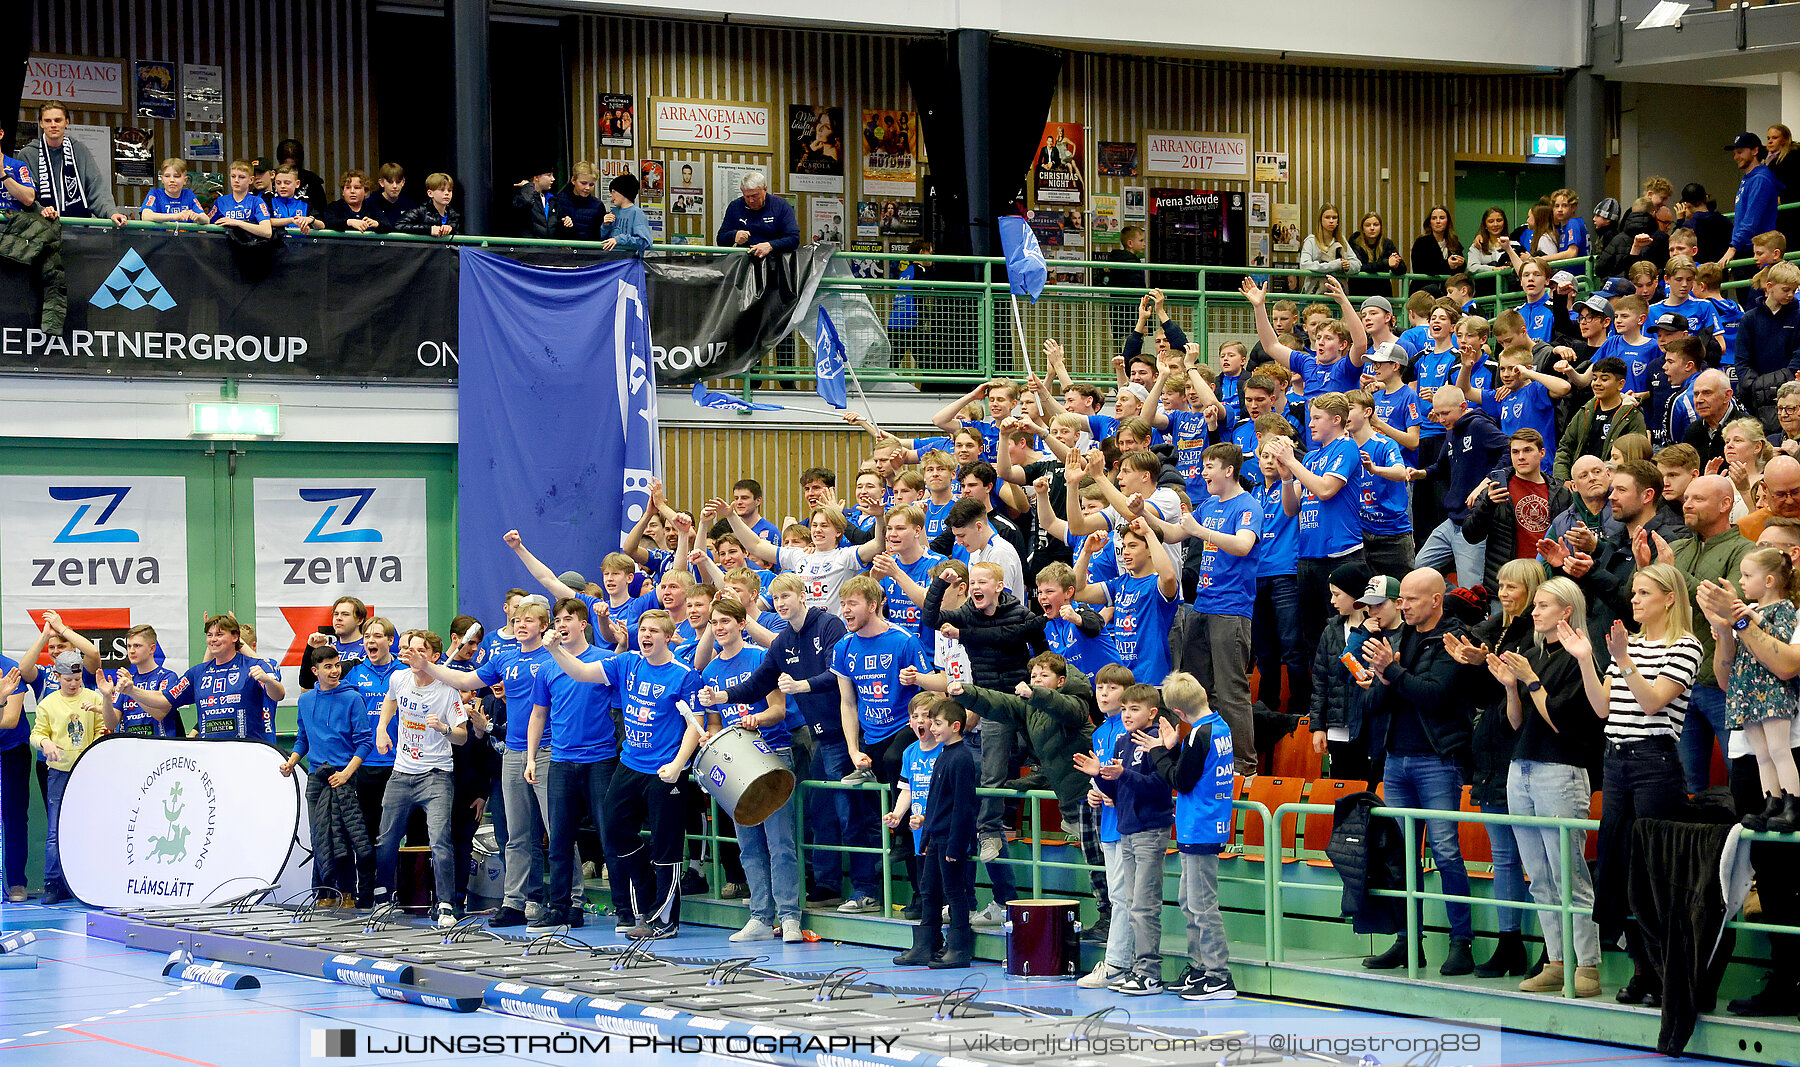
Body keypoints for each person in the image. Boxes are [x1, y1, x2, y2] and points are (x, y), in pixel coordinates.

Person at [1564, 564, 1700, 1008]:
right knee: (1619, 866)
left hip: (1655, 761)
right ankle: (1642, 966)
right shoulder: (1631, 644)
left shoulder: (1684, 646)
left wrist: (1623, 660)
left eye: (1644, 593)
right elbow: (1603, 708)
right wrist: (1587, 658)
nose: (1635, 600)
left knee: (1654, 868)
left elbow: (1653, 701)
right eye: (1634, 592)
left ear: (1669, 598)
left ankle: (1665, 972)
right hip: (1616, 760)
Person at [545, 610, 702, 939]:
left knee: (666, 847)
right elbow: (583, 672)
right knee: (615, 833)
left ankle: (665, 919)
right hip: (630, 764)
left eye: (654, 631)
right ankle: (645, 903)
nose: (646, 635)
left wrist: (677, 765)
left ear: (668, 636)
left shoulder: (684, 675)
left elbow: (694, 726)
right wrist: (555, 651)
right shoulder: (627, 662)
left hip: (665, 770)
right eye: (642, 629)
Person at [1484, 578, 1605, 997]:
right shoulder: (1532, 655)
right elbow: (1515, 722)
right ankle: (1556, 960)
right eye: (1534, 605)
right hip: (1523, 767)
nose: (1534, 612)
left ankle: (1586, 965)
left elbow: (1562, 723)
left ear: (1566, 612)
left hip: (1562, 769)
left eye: (1543, 605)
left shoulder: (1582, 660)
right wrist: (1511, 687)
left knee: (1568, 873)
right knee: (1539, 875)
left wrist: (1532, 681)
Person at [1357, 568, 1475, 976]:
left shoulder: (1455, 639)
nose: (1402, 605)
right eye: (1401, 599)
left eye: (1410, 599)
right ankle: (1409, 941)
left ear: (1436, 600)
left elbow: (1437, 697)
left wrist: (1393, 673)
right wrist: (1379, 680)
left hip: (1437, 759)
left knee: (1445, 851)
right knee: (1404, 858)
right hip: (1395, 757)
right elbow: (1371, 707)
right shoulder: (1396, 639)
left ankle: (1462, 943)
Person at [695, 598, 802, 943]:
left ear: (742, 623)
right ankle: (759, 916)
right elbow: (713, 723)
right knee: (749, 844)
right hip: (734, 763)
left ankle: (789, 917)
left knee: (780, 842)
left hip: (772, 753)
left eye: (725, 620)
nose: (719, 627)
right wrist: (706, 737)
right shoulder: (710, 671)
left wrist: (757, 719)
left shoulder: (760, 657)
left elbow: (778, 709)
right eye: (714, 622)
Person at [836, 576, 939, 912]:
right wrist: (854, 749)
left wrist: (920, 726)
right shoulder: (844, 648)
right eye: (843, 603)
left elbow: (929, 694)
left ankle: (923, 895)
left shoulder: (904, 641)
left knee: (901, 774)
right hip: (871, 737)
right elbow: (848, 703)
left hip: (905, 730)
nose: (845, 610)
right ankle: (869, 891)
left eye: (852, 603)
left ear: (873, 604)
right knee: (866, 810)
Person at [523, 598, 623, 931]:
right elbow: (539, 714)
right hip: (562, 760)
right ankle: (562, 907)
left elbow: (624, 707)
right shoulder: (548, 666)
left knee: (610, 836)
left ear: (583, 624)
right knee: (561, 839)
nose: (561, 624)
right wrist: (531, 757)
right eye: (557, 619)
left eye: (568, 618)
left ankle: (625, 907)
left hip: (600, 759)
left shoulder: (604, 661)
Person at [1077, 682, 1174, 995]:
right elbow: (1118, 792)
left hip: (1150, 830)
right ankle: (1135, 967)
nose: (1128, 715)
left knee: (1144, 906)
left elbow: (1160, 789)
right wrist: (1098, 778)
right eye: (1125, 710)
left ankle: (1149, 973)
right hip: (1126, 829)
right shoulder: (1121, 742)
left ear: (1152, 712)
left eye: (1135, 709)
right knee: (1131, 904)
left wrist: (1121, 775)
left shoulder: (1158, 743)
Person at [374, 630, 469, 928]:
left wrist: (443, 728)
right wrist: (381, 728)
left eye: (419, 651)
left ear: (434, 657)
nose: (410, 655)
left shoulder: (448, 689)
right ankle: (381, 898)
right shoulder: (399, 679)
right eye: (409, 650)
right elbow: (391, 701)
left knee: (440, 841)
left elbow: (463, 737)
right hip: (401, 773)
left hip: (437, 776)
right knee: (386, 839)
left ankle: (445, 904)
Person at [1709, 549, 1800, 832]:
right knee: (1760, 753)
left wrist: (1751, 619)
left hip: (1771, 689)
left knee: (1778, 749)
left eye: (1748, 575)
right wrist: (1723, 628)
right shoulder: (1749, 611)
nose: (1742, 581)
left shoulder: (1782, 608)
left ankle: (1792, 803)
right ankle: (1770, 802)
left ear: (1770, 580)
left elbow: (1783, 638)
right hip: (1746, 689)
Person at [280, 646, 375, 905]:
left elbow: (365, 743)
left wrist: (346, 774)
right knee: (320, 835)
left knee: (343, 836)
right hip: (316, 779)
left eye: (337, 665)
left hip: (344, 777)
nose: (334, 671)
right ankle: (323, 893)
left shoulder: (353, 698)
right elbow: (302, 739)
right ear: (315, 671)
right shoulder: (305, 700)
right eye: (328, 667)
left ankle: (346, 893)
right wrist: (292, 762)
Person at [894, 697, 978, 968]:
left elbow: (963, 807)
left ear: (955, 726)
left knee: (955, 893)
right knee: (928, 889)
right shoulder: (944, 755)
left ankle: (959, 948)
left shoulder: (962, 759)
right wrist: (927, 836)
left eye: (937, 723)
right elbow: (933, 800)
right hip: (935, 838)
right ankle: (926, 944)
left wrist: (956, 845)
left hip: (951, 839)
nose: (931, 727)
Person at [30, 651, 116, 904]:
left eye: (77, 678)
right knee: (55, 829)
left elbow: (105, 727)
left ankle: (90, 878)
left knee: (92, 826)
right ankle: (53, 882)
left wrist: (100, 738)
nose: (73, 683)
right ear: (57, 677)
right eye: (68, 679)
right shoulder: (48, 704)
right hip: (59, 771)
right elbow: (36, 734)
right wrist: (45, 743)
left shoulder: (92, 698)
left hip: (88, 771)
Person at [125, 614, 282, 741]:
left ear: (235, 637)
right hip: (210, 754)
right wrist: (132, 690)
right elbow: (163, 699)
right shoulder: (197, 673)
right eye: (209, 635)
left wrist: (268, 681)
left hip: (248, 752)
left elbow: (278, 694)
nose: (213, 639)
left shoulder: (255, 665)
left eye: (219, 634)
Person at [18, 104, 126, 226]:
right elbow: (25, 196)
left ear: (67, 122)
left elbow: (96, 189)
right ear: (41, 123)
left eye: (58, 120)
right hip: (41, 229)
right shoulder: (28, 154)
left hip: (77, 229)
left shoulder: (80, 150)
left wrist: (111, 212)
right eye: (48, 121)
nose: (53, 125)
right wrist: (41, 210)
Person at [1721, 132, 1782, 268]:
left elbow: (1751, 221)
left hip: (1756, 251)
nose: (1736, 157)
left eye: (1740, 152)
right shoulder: (1750, 178)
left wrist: (1733, 247)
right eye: (1735, 153)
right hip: (1747, 247)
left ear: (1755, 151)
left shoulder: (1760, 179)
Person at [113, 625, 184, 738]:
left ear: (152, 648)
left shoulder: (167, 676)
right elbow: (111, 723)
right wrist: (107, 696)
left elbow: (159, 714)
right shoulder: (127, 680)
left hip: (161, 747)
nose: (131, 651)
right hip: (131, 747)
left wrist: (132, 691)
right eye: (129, 646)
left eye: (137, 646)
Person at [716, 171, 800, 258]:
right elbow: (720, 239)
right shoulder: (735, 206)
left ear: (765, 189)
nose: (751, 200)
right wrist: (733, 235)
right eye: (747, 196)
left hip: (775, 263)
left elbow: (794, 239)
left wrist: (771, 245)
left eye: (755, 196)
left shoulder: (781, 206)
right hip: (744, 263)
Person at [1300, 203, 1359, 292]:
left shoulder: (1341, 240)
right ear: (1320, 220)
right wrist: (1336, 265)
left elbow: (1357, 264)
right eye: (1327, 217)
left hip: (1337, 293)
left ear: (1338, 221)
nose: (1331, 221)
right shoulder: (1311, 241)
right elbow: (1304, 265)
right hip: (1314, 293)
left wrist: (1348, 267)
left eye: (1334, 218)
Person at [208, 159, 274, 239]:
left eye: (241, 177)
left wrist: (237, 223)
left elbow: (267, 231)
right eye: (233, 176)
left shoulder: (257, 201)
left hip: (250, 248)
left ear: (251, 180)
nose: (236, 180)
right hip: (225, 248)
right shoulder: (221, 201)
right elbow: (206, 224)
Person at [1409, 205, 1466, 292]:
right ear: (1430, 222)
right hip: (1423, 290)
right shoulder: (1421, 242)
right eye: (1434, 218)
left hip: (1447, 290)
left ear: (1447, 221)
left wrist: (1461, 263)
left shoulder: (1454, 243)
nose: (1438, 221)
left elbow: (1459, 271)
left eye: (1442, 218)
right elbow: (1421, 268)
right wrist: (1448, 265)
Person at [1348, 211, 1404, 298]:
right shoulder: (1355, 243)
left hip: (1383, 294)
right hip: (1359, 292)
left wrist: (1396, 265)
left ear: (1381, 227)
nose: (1372, 228)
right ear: (1362, 229)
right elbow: (1360, 267)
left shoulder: (1387, 243)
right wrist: (1386, 263)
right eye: (1367, 225)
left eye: (1376, 225)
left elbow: (1402, 269)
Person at [598, 173, 652, 252]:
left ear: (623, 192)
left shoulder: (636, 213)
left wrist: (619, 239)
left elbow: (645, 241)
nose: (610, 195)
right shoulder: (613, 212)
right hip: (610, 259)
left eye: (613, 192)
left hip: (629, 261)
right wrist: (605, 225)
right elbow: (603, 239)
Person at [141, 157, 207, 222]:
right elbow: (145, 216)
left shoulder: (189, 194)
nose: (172, 180)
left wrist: (197, 217)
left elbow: (206, 219)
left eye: (176, 176)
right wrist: (176, 216)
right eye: (167, 176)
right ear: (162, 179)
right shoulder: (155, 194)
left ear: (185, 180)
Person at [318, 170, 386, 233]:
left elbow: (387, 225)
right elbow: (328, 222)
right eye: (348, 187)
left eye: (357, 188)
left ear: (365, 191)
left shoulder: (372, 207)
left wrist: (377, 224)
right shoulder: (334, 207)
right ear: (343, 192)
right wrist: (349, 222)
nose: (352, 191)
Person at [394, 173, 460, 237]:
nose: (446, 193)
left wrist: (450, 229)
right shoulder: (420, 211)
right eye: (441, 190)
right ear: (430, 193)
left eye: (449, 190)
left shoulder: (453, 215)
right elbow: (399, 225)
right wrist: (429, 229)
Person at [514, 166, 558, 238]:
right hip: (531, 247)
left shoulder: (551, 199)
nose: (553, 179)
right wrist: (527, 186)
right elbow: (526, 202)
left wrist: (565, 222)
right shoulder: (520, 196)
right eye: (549, 175)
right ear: (536, 177)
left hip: (550, 247)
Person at [369, 163, 416, 229]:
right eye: (390, 182)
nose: (395, 186)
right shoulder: (370, 203)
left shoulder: (409, 205)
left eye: (398, 182)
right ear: (381, 182)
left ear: (403, 182)